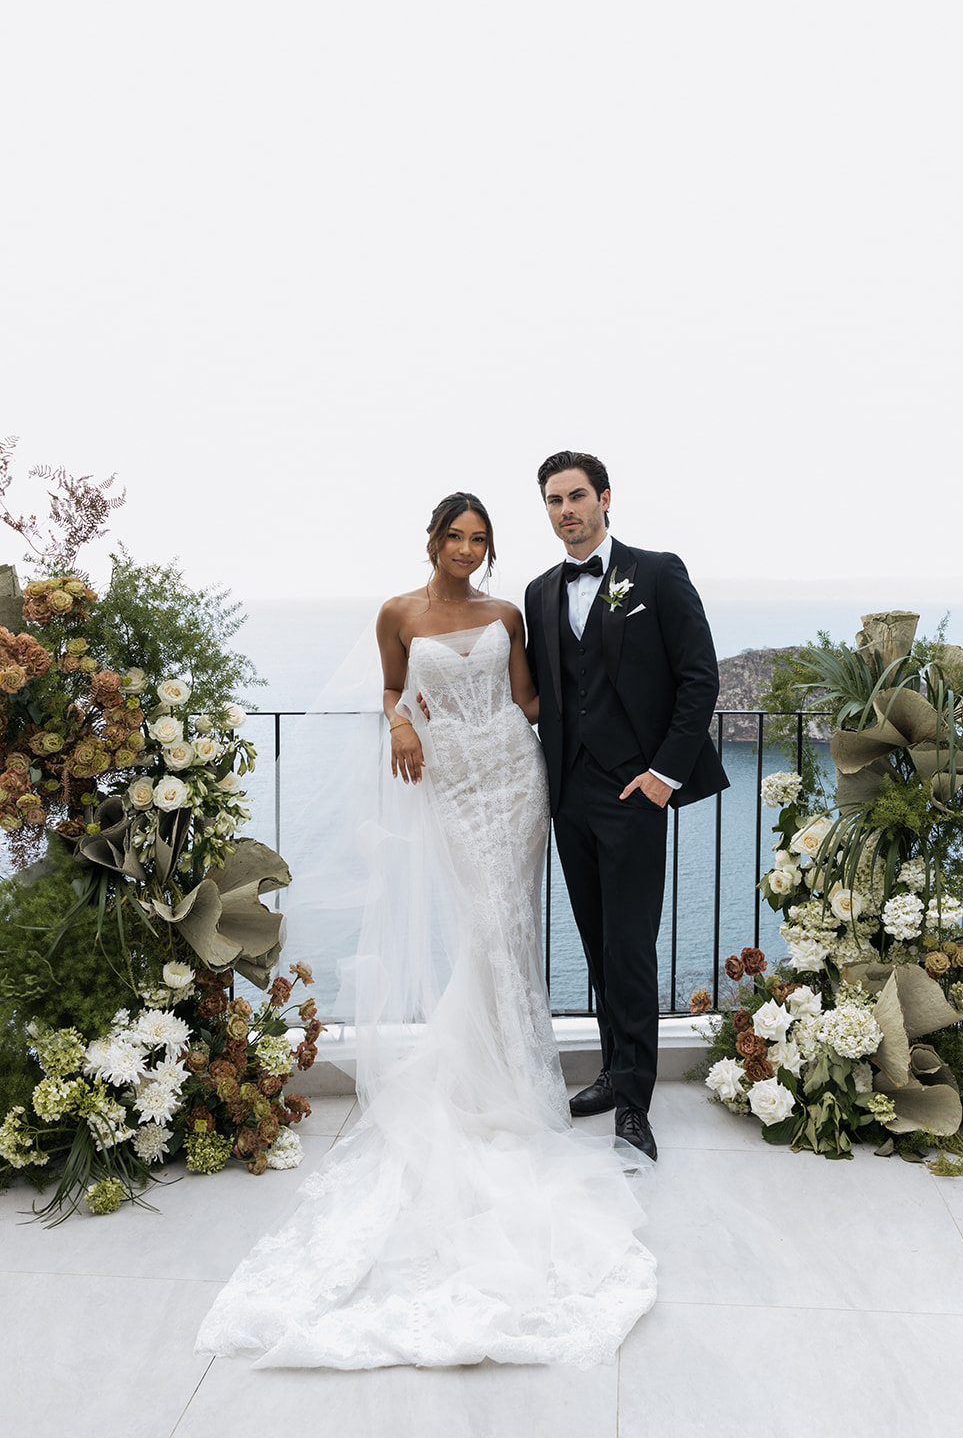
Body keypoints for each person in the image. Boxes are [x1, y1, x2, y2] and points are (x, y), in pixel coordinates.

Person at [195, 491, 656, 1370]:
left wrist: (608, 735)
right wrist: (401, 721)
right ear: (434, 540)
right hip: (448, 778)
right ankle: (502, 1077)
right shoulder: (397, 613)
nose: (468, 550)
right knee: (488, 924)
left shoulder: (507, 612)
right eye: (456, 536)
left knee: (510, 926)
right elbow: (388, 685)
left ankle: (513, 1078)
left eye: (480, 539)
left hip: (515, 775)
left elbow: (530, 699)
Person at [525, 451, 728, 1163]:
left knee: (630, 947)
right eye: (554, 500)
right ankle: (615, 1071)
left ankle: (635, 1103)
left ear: (605, 498)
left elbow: (698, 678)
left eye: (576, 496)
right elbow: (543, 691)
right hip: (569, 794)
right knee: (596, 942)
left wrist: (663, 774)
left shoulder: (658, 573)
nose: (566, 510)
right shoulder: (539, 592)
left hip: (635, 792)